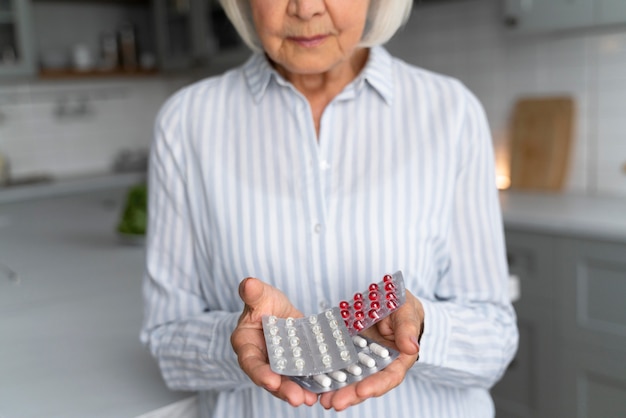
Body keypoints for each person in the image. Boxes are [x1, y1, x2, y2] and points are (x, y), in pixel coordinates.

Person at [140, 0, 519, 416]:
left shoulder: (452, 113)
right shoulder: (186, 123)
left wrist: (421, 325)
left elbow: (493, 343)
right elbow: (168, 345)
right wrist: (247, 341)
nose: (304, 9)